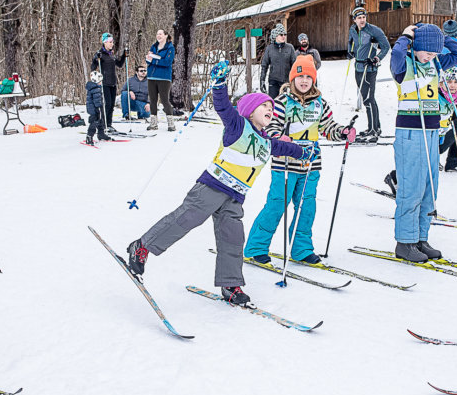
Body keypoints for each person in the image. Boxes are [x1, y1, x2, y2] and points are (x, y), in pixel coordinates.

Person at [124, 65, 317, 306]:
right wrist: (219, 84)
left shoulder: (268, 142)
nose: (270, 110)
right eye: (264, 106)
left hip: (235, 197)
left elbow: (286, 148)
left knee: (233, 238)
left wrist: (303, 152)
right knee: (185, 219)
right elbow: (223, 106)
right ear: (249, 110)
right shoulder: (238, 126)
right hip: (212, 187)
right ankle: (142, 246)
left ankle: (231, 285)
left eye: (271, 108)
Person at [243, 55, 355, 266]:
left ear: (314, 79)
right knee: (277, 204)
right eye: (300, 76)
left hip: (310, 164)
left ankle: (301, 249)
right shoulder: (282, 102)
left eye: (308, 77)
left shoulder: (320, 104)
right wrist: (279, 137)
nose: (304, 81)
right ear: (292, 78)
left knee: (306, 207)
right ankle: (256, 247)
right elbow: (270, 126)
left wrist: (342, 132)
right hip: (285, 163)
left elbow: (328, 127)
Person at [389, 23, 457, 262]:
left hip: (432, 131)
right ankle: (405, 241)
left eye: (435, 52)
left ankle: (421, 238)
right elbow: (396, 54)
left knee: (429, 188)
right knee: (411, 188)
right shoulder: (404, 65)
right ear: (417, 46)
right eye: (427, 51)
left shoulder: (436, 63)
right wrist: (407, 36)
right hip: (411, 131)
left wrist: (440, 38)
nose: (431, 56)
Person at [348, 6, 390, 138]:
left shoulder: (374, 30)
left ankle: (373, 130)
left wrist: (376, 58)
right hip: (358, 67)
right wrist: (350, 52)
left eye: (364, 17)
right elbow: (351, 43)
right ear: (354, 20)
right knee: (366, 99)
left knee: (369, 99)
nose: (362, 20)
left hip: (369, 68)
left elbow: (386, 47)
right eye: (359, 18)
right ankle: (375, 127)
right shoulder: (353, 29)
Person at [91, 32, 127, 129]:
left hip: (113, 83)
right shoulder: (100, 54)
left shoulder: (111, 54)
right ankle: (103, 124)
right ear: (104, 42)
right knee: (107, 104)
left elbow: (119, 64)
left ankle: (109, 124)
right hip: (104, 83)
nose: (112, 44)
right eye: (110, 42)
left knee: (111, 105)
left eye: (112, 42)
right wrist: (96, 59)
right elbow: (93, 67)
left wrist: (124, 55)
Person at [437, 67, 457, 172]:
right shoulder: (437, 97)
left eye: (456, 82)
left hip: (452, 100)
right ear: (441, 84)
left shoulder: (455, 96)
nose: (453, 85)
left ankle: (452, 162)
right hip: (441, 100)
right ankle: (434, 153)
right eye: (449, 82)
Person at [146, 29, 176, 131]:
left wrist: (154, 60)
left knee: (164, 100)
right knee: (152, 100)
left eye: (160, 34)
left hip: (164, 78)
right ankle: (153, 123)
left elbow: (167, 62)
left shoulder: (170, 48)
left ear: (166, 35)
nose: (158, 36)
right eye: (157, 34)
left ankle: (171, 123)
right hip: (151, 77)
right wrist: (149, 59)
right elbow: (148, 61)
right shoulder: (154, 46)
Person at [259, 24, 297, 99]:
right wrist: (262, 80)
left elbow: (295, 65)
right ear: (275, 36)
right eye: (281, 34)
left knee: (285, 102)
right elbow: (264, 65)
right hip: (273, 81)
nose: (283, 36)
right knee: (273, 102)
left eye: (285, 34)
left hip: (286, 82)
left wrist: (294, 81)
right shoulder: (269, 48)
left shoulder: (289, 48)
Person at [85, 71, 111, 145]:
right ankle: (89, 136)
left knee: (100, 121)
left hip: (95, 108)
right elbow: (97, 100)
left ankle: (101, 134)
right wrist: (99, 107)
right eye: (100, 81)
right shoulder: (95, 89)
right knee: (95, 121)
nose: (101, 82)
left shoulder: (94, 88)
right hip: (95, 108)